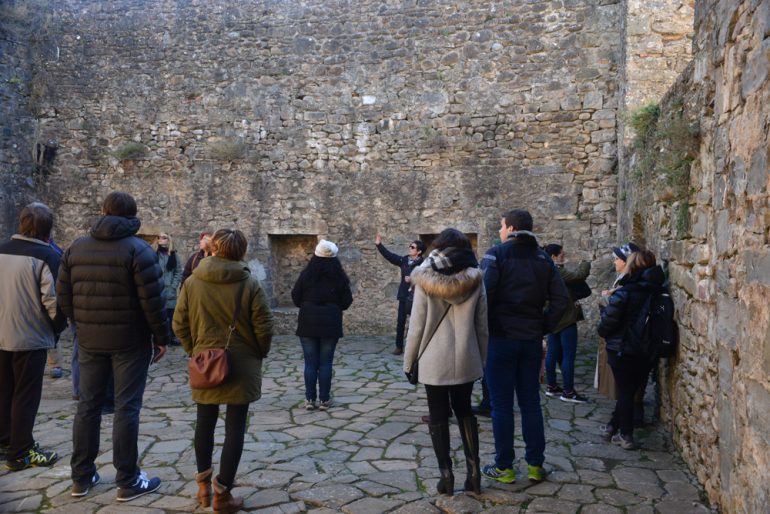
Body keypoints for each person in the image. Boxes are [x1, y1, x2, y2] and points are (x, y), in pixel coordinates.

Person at [57, 191, 170, 501]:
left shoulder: (76, 248)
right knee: (127, 408)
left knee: (87, 407)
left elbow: (63, 295)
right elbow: (153, 301)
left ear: (103, 212)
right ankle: (128, 480)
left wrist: (79, 325)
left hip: (90, 341)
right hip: (130, 343)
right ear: (132, 215)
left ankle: (81, 477)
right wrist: (161, 338)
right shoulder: (138, 251)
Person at [174, 228, 273, 513]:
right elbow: (264, 326)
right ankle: (222, 492)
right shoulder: (249, 283)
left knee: (204, 421)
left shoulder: (192, 282)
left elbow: (179, 323)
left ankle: (204, 485)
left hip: (205, 359)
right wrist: (258, 353)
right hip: (241, 362)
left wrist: (195, 351)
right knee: (235, 427)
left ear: (214, 249)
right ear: (241, 251)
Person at [480, 209, 569, 484]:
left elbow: (483, 296)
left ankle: (504, 466)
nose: (499, 231)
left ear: (510, 228)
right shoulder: (544, 259)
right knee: (530, 402)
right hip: (530, 339)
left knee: (501, 405)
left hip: (501, 339)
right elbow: (561, 300)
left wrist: (486, 328)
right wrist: (543, 325)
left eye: (500, 226)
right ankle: (535, 465)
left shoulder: (496, 255)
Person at [404, 228, 488, 495]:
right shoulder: (476, 278)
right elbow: (482, 325)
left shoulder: (424, 278)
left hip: (433, 360)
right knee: (464, 410)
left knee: (438, 414)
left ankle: (446, 476)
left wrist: (409, 362)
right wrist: (481, 360)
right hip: (466, 357)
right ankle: (474, 474)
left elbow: (416, 326)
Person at [0, 202, 66, 471]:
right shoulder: (47, 255)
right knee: (26, 395)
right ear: (47, 228)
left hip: (2, 334)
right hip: (31, 335)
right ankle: (21, 451)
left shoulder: (1, 249)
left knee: (4, 391)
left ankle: (5, 441)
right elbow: (53, 301)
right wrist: (57, 328)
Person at [597, 249, 663, 450]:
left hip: (622, 348)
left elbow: (607, 323)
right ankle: (611, 427)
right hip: (647, 349)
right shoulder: (658, 292)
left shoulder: (625, 292)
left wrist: (604, 331)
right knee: (630, 389)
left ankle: (625, 435)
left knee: (626, 391)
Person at [291, 239, 353, 411]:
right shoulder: (339, 277)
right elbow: (347, 301)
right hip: (330, 322)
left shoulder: (306, 275)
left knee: (310, 363)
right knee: (326, 363)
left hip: (308, 321)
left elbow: (295, 296)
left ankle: (310, 399)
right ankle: (324, 400)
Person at [543, 244, 591, 403]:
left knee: (553, 352)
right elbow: (579, 275)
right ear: (553, 257)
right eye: (561, 255)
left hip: (553, 317)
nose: (564, 257)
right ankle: (568, 391)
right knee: (568, 356)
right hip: (565, 317)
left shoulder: (546, 269)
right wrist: (586, 260)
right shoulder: (556, 270)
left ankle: (551, 386)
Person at [595, 242, 640, 402]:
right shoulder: (624, 282)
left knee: (624, 387)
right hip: (623, 340)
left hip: (621, 341)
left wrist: (609, 299)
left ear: (625, 261)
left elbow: (616, 313)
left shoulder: (627, 286)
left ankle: (621, 420)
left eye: (616, 259)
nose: (614, 262)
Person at [375, 234, 426, 354]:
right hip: (404, 296)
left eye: (412, 247)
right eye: (410, 246)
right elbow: (390, 256)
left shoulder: (424, 264)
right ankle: (399, 347)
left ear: (419, 251)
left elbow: (428, 280)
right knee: (401, 322)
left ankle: (417, 348)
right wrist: (379, 245)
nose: (410, 248)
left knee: (418, 322)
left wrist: (413, 279)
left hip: (418, 297)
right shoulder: (404, 260)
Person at [155, 232, 183, 345]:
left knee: (170, 315)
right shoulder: (154, 254)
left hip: (169, 289)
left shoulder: (173, 255)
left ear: (169, 240)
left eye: (164, 237)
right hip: (156, 288)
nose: (161, 239)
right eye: (159, 237)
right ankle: (157, 338)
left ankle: (171, 337)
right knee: (157, 314)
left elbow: (178, 272)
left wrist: (173, 286)